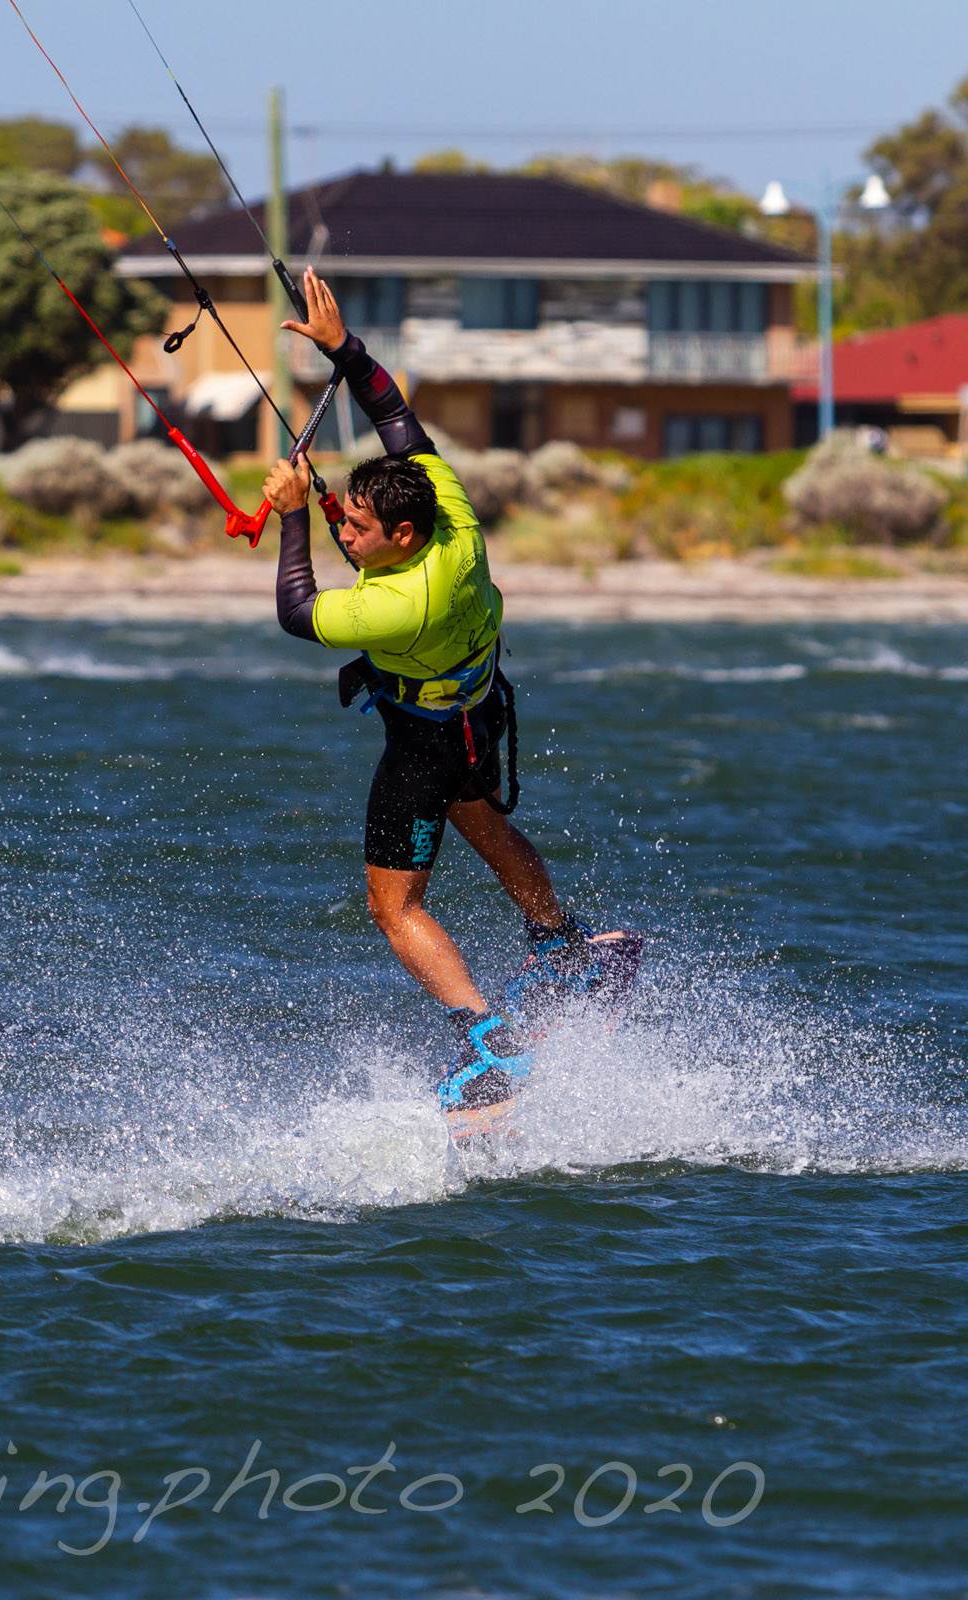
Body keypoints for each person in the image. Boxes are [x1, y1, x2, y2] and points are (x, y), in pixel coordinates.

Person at [263, 267, 634, 1114]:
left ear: (402, 534)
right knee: (483, 821)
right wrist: (346, 351)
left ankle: (488, 1042)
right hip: (479, 711)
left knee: (394, 906)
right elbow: (397, 418)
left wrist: (291, 515)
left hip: (425, 743)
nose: (346, 534)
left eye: (358, 528)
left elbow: (296, 611)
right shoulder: (453, 515)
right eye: (343, 519)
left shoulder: (397, 604)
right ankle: (563, 947)